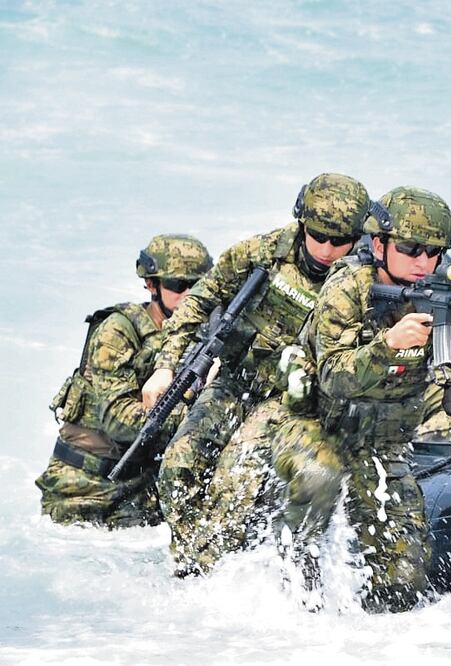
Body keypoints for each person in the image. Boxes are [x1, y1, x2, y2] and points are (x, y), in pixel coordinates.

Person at [272, 186, 451, 612]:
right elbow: (333, 377)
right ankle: (291, 592)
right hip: (319, 427)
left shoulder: (449, 290)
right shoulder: (348, 286)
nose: (424, 261)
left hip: (383, 442)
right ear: (379, 243)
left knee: (403, 581)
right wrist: (387, 347)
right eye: (410, 248)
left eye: (434, 251)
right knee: (319, 476)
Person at [143, 173, 370, 576]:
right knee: (177, 466)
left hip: (290, 399)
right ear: (302, 223)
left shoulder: (360, 280)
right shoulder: (262, 252)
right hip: (237, 380)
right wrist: (165, 368)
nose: (329, 249)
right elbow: (199, 302)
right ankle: (195, 564)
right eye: (319, 236)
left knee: (235, 480)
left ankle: (215, 572)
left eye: (341, 240)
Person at [36, 234, 213, 528]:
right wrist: (201, 409)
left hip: (142, 486)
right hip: (84, 488)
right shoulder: (117, 332)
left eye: (197, 286)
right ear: (152, 285)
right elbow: (120, 421)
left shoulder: (199, 334)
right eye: (178, 285)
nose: (189, 295)